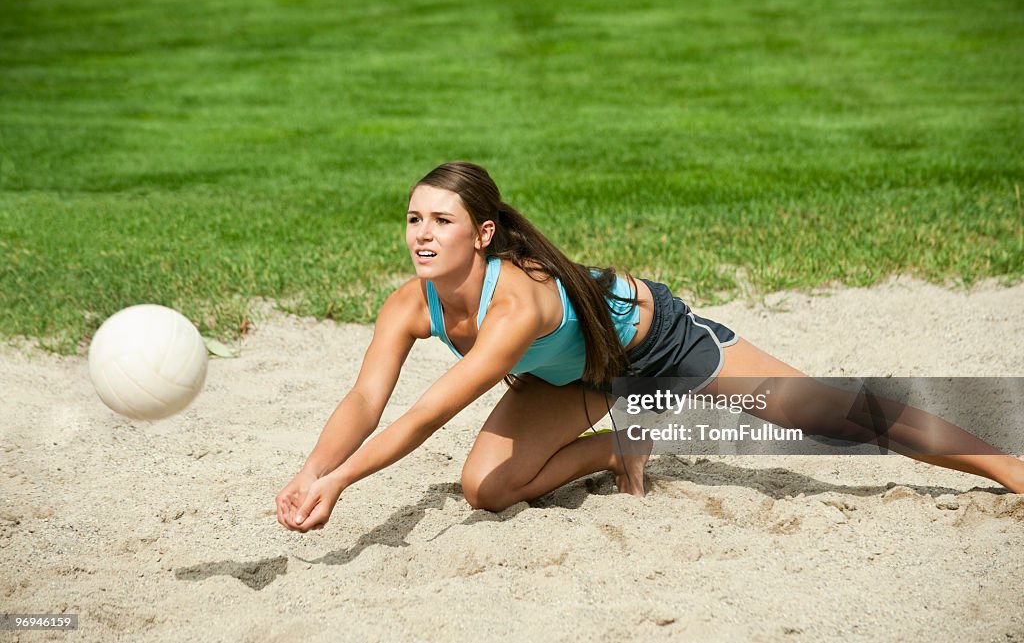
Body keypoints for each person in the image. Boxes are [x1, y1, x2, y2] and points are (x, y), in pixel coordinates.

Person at [277, 162, 1024, 532]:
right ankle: (620, 442)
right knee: (487, 491)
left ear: (481, 234)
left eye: (441, 220)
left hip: (657, 345)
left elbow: (425, 415)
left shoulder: (516, 304)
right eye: (413, 219)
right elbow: (366, 400)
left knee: (837, 417)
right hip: (574, 377)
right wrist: (313, 470)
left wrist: (341, 483)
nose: (421, 234)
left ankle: (1007, 464)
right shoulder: (410, 304)